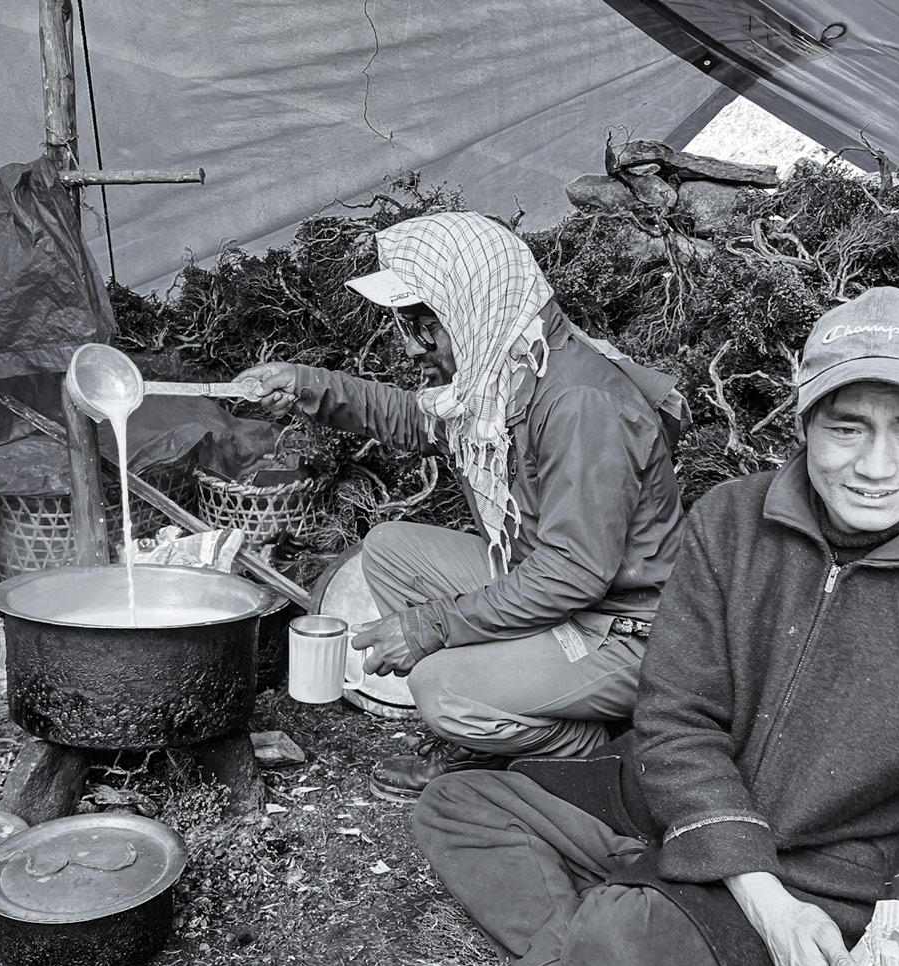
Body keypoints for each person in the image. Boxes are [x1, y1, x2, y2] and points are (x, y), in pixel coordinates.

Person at [412, 286, 899, 966]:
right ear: (803, 421)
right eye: (847, 427)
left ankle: (629, 957)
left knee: (617, 948)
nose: (876, 466)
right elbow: (677, 718)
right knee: (454, 802)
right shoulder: (730, 520)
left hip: (832, 880)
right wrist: (758, 899)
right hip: (688, 813)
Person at [240, 211, 687, 802]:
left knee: (440, 688)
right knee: (390, 550)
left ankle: (590, 750)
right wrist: (306, 385)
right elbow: (412, 418)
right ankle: (511, 709)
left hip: (621, 631)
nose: (410, 346)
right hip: (547, 583)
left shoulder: (579, 404)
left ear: (475, 306)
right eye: (405, 324)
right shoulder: (501, 373)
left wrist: (430, 627)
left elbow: (574, 573)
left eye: (426, 326)